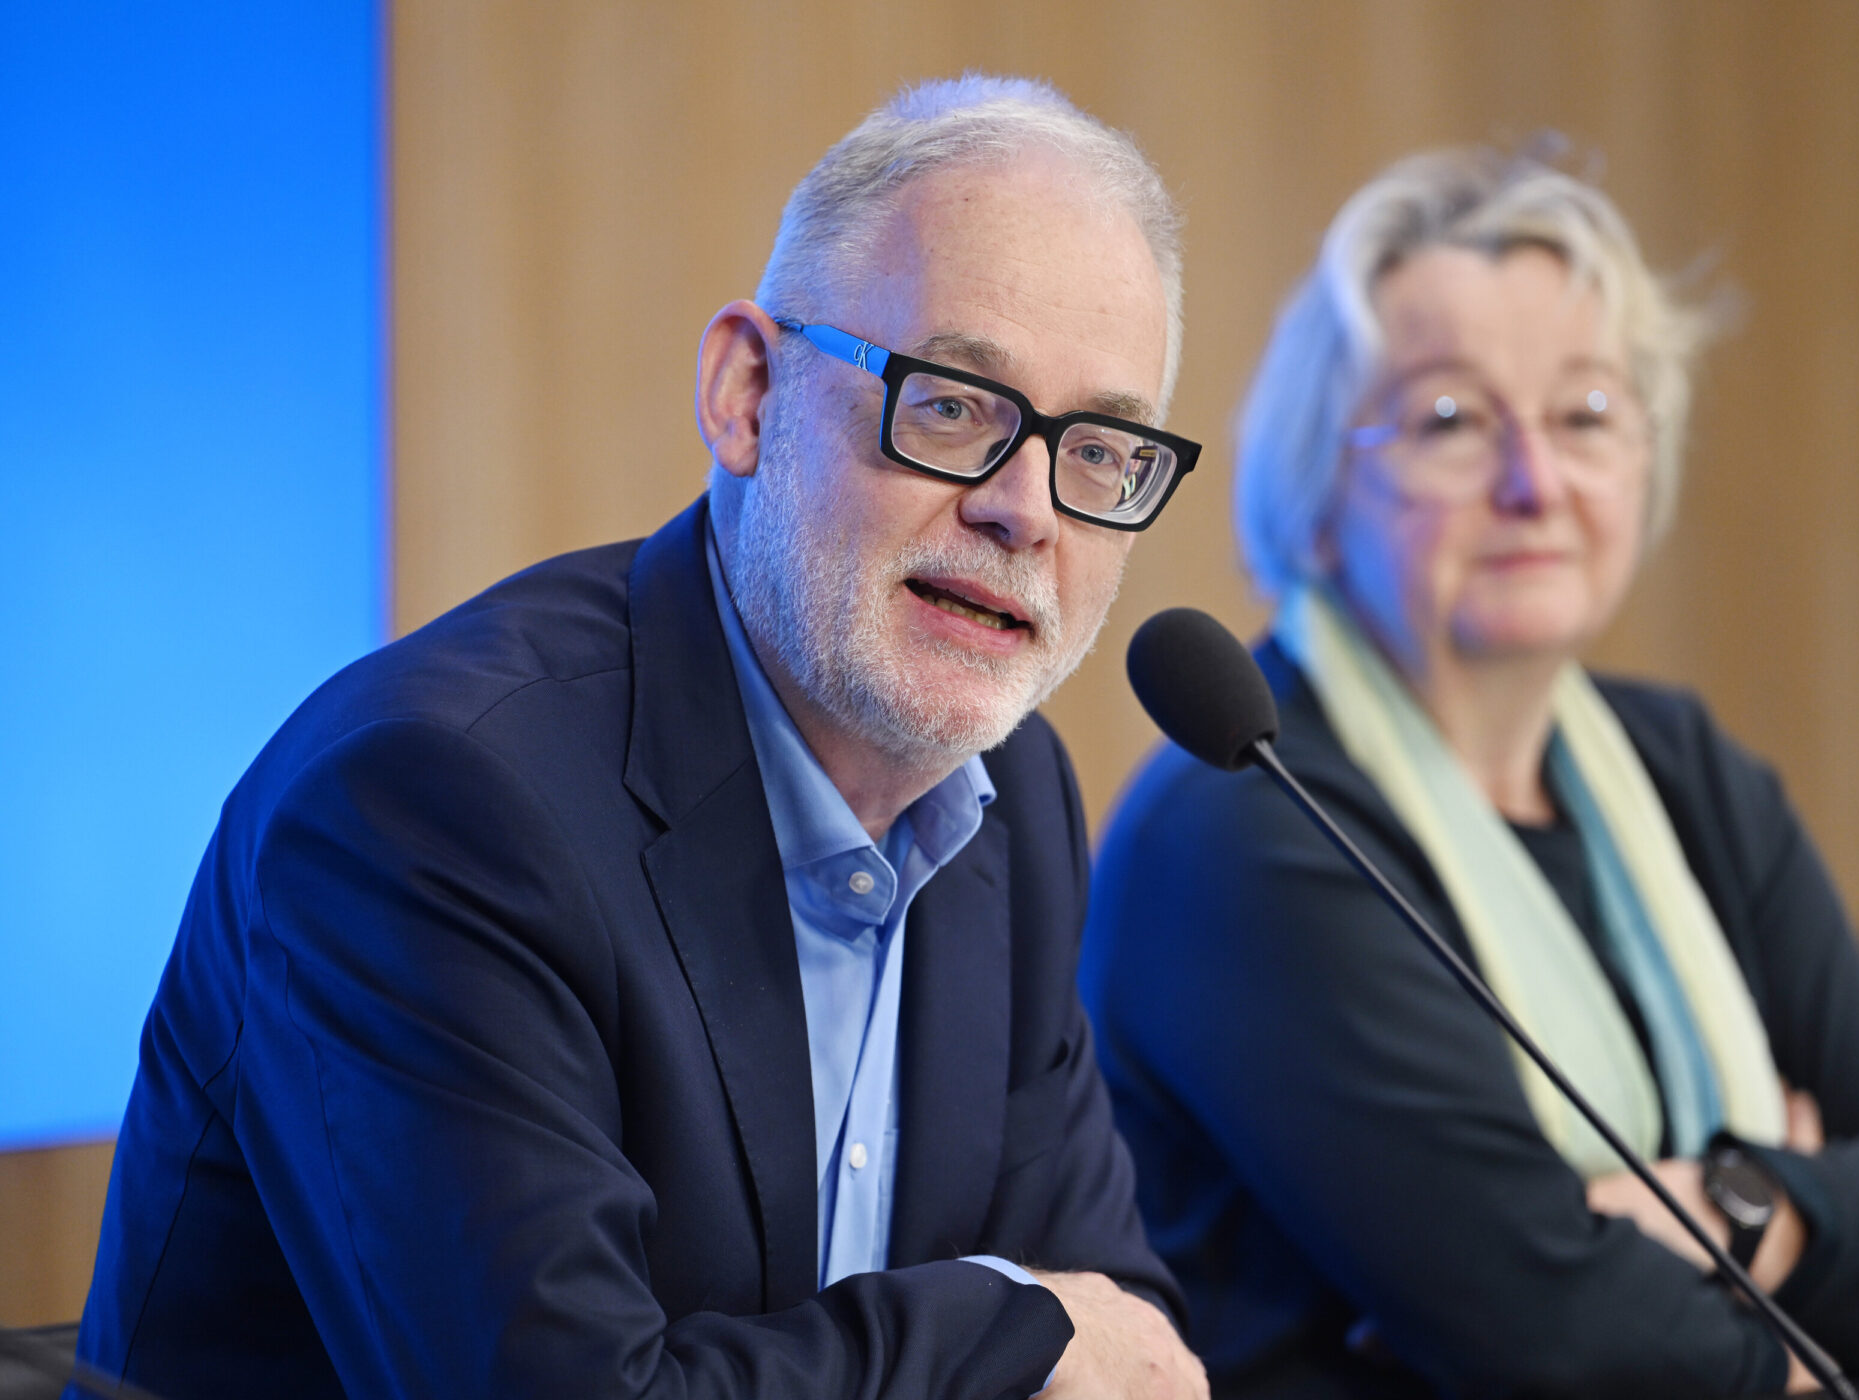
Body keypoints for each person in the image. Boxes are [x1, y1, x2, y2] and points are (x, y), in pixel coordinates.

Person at [78, 76, 1210, 1400]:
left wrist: (1058, 1332)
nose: (1028, 511)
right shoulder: (434, 801)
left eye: (1102, 451)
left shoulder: (1008, 793)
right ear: (747, 392)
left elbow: (1128, 1343)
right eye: (954, 403)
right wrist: (1010, 1328)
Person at [1080, 145, 1859, 1398]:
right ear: (1317, 488)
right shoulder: (1241, 820)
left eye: (1586, 414)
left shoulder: (1684, 767)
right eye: (1452, 420)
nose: (1536, 481)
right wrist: (1803, 1258)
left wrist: (1725, 1205)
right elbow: (1556, 1342)